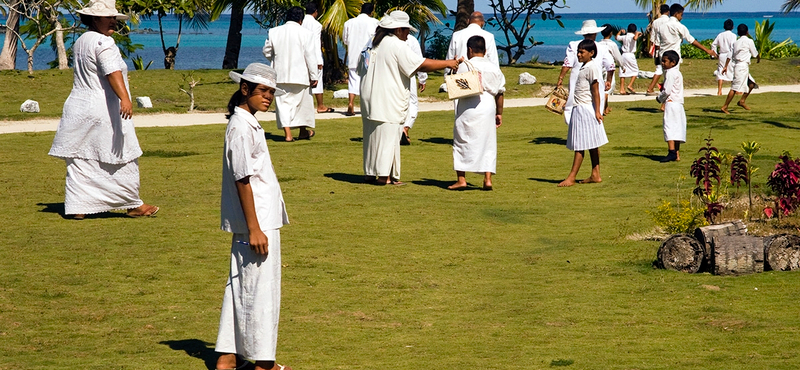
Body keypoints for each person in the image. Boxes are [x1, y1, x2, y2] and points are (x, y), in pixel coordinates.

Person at [48, 0, 158, 220]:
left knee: (81, 157)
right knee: (122, 154)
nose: (113, 22)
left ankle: (79, 205)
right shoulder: (104, 43)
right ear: (94, 19)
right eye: (108, 18)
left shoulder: (81, 41)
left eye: (114, 18)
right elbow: (112, 71)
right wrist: (125, 99)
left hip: (78, 107)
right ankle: (132, 204)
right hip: (102, 108)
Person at [215, 63, 292, 370]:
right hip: (257, 221)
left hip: (259, 219)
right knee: (260, 290)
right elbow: (242, 179)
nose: (268, 97)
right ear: (245, 89)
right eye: (262, 91)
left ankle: (228, 356)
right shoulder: (240, 127)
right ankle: (264, 362)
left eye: (272, 92)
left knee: (241, 283)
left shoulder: (247, 123)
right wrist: (254, 228)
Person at [359, 11, 460, 185]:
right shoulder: (395, 45)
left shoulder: (373, 43)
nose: (408, 35)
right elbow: (420, 64)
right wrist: (448, 63)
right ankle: (384, 176)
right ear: (398, 29)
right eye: (407, 31)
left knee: (372, 136)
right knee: (388, 135)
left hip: (370, 96)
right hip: (387, 97)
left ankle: (371, 173)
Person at [448, 36, 505, 191]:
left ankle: (461, 179)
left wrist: (455, 66)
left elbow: (452, 84)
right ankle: (487, 179)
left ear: (469, 50)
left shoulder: (464, 66)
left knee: (462, 140)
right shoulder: (494, 68)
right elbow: (500, 93)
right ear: (485, 51)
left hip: (468, 104)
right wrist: (499, 113)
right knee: (488, 142)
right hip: (488, 104)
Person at [263, 6, 319, 142]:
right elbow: (310, 57)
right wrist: (314, 76)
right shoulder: (306, 33)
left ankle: (289, 134)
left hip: (280, 74)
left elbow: (267, 51)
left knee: (283, 104)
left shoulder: (274, 32)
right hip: (300, 75)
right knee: (302, 105)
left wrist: (276, 59)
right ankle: (302, 131)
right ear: (301, 19)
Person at [558, 39, 608, 188]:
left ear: (591, 53)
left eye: (582, 52)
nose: (578, 54)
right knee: (592, 144)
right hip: (580, 107)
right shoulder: (583, 67)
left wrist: (598, 111)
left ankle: (571, 177)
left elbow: (595, 91)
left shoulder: (591, 67)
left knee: (580, 145)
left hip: (584, 108)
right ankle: (595, 174)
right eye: (578, 51)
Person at [555, 20, 615, 125]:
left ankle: (575, 130)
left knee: (573, 105)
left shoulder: (574, 45)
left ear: (583, 33)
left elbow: (567, 64)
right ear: (596, 33)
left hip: (578, 79)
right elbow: (611, 65)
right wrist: (609, 80)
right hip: (595, 78)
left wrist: (561, 78)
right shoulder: (601, 47)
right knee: (596, 103)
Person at [343, 2, 379, 116]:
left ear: (360, 10)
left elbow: (345, 40)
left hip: (354, 55)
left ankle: (351, 103)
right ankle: (370, 107)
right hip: (369, 56)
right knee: (369, 81)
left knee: (353, 81)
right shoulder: (375, 22)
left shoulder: (349, 23)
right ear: (371, 12)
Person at [301, 2, 333, 113]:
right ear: (315, 12)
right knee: (317, 82)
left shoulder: (300, 22)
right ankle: (320, 106)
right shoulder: (316, 25)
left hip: (300, 55)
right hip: (313, 56)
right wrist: (319, 60)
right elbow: (316, 43)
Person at [721, 24, 758, 114]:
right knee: (734, 88)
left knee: (752, 84)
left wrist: (725, 66)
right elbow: (755, 54)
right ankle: (725, 106)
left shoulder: (736, 42)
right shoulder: (749, 41)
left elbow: (730, 55)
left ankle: (742, 101)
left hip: (739, 66)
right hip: (742, 67)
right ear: (747, 32)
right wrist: (758, 58)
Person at [656, 50, 685, 163]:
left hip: (671, 103)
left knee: (669, 127)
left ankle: (671, 152)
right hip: (679, 103)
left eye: (665, 61)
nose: (662, 63)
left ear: (673, 62)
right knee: (677, 128)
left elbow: (667, 90)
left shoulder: (670, 73)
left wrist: (659, 98)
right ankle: (676, 153)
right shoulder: (678, 73)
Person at [401, 34, 428, 146]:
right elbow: (419, 60)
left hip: (390, 75)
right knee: (412, 102)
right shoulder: (411, 39)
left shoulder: (384, 39)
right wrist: (422, 78)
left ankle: (397, 129)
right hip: (409, 73)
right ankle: (405, 128)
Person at [645, 4, 670, 95]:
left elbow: (653, 37)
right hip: (667, 47)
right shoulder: (669, 21)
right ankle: (651, 88)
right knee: (662, 70)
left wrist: (651, 48)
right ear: (668, 12)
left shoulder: (656, 22)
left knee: (660, 68)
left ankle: (662, 87)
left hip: (657, 48)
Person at [599, 24, 622, 115]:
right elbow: (618, 57)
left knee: (603, 87)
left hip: (600, 67)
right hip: (609, 67)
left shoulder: (598, 44)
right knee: (608, 88)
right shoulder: (612, 44)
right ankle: (601, 109)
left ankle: (606, 108)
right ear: (611, 33)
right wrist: (622, 66)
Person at [712, 19, 737, 96]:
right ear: (732, 27)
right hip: (729, 55)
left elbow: (713, 44)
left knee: (720, 72)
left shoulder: (720, 35)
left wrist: (715, 54)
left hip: (722, 55)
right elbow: (733, 47)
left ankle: (719, 91)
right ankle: (734, 90)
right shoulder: (733, 36)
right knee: (732, 72)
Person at [616, 23, 642, 95]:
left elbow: (617, 37)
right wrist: (637, 33)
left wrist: (620, 31)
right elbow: (635, 38)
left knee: (622, 71)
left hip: (623, 55)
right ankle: (630, 85)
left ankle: (621, 89)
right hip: (630, 54)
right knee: (635, 70)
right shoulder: (633, 36)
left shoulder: (624, 36)